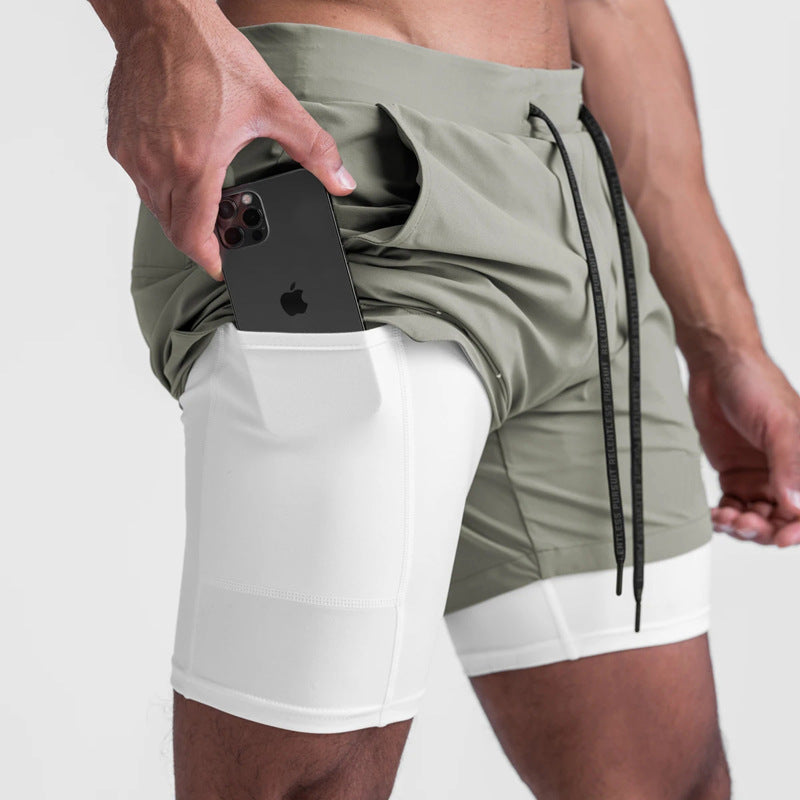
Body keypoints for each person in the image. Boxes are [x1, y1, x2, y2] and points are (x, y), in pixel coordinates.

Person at [87, 0, 800, 797]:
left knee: (674, 784)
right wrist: (161, 28)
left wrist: (726, 343)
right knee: (313, 784)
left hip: (576, 199)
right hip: (345, 172)